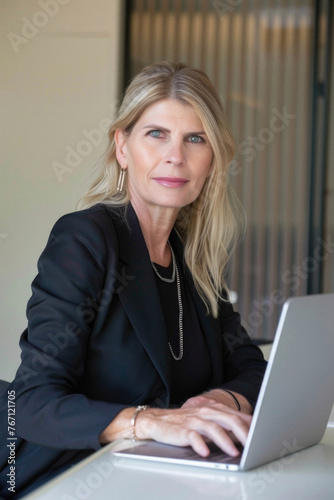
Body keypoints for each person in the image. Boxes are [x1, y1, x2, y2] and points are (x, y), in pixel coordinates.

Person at [0, 61, 267, 499]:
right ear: (123, 147)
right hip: (71, 476)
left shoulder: (192, 255)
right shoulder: (86, 238)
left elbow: (251, 368)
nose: (175, 156)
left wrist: (215, 403)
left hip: (162, 478)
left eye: (195, 139)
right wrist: (149, 420)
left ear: (212, 159)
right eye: (156, 134)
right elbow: (30, 403)